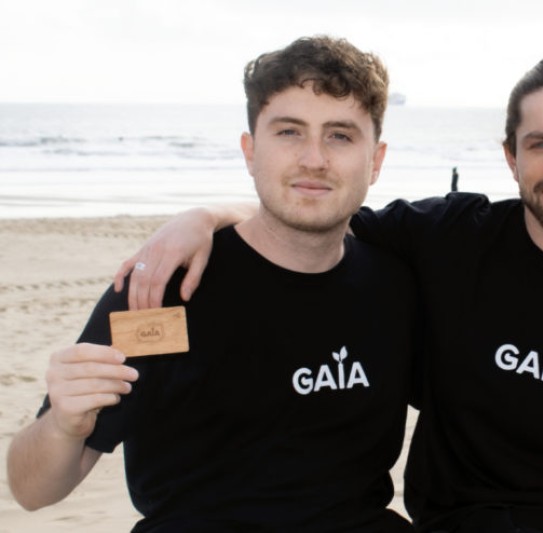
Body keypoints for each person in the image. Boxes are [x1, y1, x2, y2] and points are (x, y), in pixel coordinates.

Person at [110, 57, 543, 532]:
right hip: (468, 517)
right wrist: (204, 217)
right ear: (511, 157)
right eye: (540, 144)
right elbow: (316, 212)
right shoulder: (450, 236)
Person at [6, 36, 419, 532]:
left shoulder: (397, 287)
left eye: (340, 136)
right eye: (289, 132)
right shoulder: (165, 291)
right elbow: (32, 491)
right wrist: (62, 426)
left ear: (375, 160)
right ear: (250, 151)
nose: (314, 158)